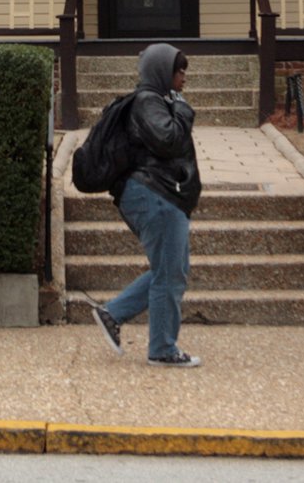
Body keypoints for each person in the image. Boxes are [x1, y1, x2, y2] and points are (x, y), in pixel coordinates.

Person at [91, 43, 202, 368]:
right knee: (170, 274)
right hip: (155, 196)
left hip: (160, 195)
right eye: (178, 70)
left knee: (172, 271)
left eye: (184, 71)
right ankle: (163, 349)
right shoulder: (148, 102)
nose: (183, 77)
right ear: (161, 71)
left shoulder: (157, 100)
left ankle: (113, 313)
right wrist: (182, 110)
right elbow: (168, 140)